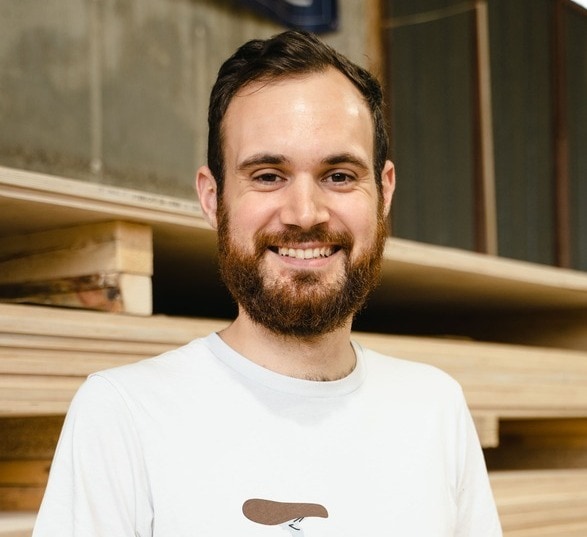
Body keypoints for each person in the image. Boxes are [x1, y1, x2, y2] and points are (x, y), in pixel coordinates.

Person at [33, 30, 502, 536]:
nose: (305, 214)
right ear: (213, 198)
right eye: (268, 175)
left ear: (383, 192)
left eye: (339, 175)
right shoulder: (123, 415)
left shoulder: (435, 408)